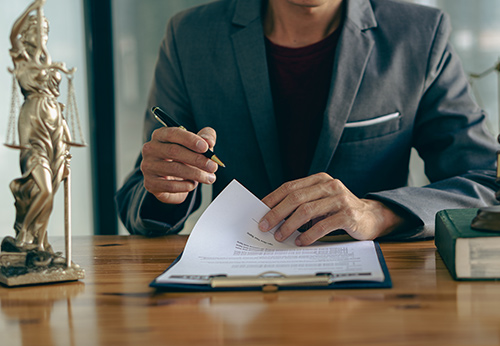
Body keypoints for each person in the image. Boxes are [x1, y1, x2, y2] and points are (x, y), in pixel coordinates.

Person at [116, 0, 499, 245]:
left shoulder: (420, 34)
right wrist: (165, 188)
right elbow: (141, 199)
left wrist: (378, 213)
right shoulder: (191, 37)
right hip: (233, 288)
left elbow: (486, 183)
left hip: (379, 294)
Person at [7, 0, 74, 253]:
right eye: (38, 30)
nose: (43, 35)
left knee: (51, 189)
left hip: (54, 123)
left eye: (46, 30)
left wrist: (67, 139)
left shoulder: (47, 60)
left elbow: (56, 101)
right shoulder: (22, 57)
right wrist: (31, 9)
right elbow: (13, 33)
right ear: (29, 32)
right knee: (42, 187)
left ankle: (39, 240)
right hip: (33, 122)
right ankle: (24, 232)